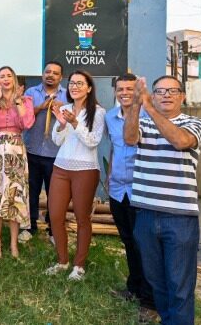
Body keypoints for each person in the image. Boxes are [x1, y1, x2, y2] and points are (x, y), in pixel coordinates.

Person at [125, 75, 201, 325]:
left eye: (172, 91)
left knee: (179, 286)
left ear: (182, 96)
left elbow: (180, 141)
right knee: (157, 282)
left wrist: (149, 106)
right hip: (146, 214)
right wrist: (136, 104)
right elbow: (129, 138)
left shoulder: (195, 123)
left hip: (180, 219)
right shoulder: (145, 124)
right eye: (159, 91)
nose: (166, 95)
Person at [44, 70, 105, 281]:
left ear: (89, 88)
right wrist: (61, 123)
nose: (75, 86)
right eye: (72, 83)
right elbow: (56, 140)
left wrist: (75, 123)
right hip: (61, 167)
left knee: (82, 218)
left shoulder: (98, 112)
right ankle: (62, 261)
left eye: (80, 83)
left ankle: (79, 265)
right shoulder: (65, 108)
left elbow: (92, 141)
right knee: (55, 215)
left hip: (86, 169)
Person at [105, 73, 154, 308]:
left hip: (140, 190)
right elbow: (114, 149)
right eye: (120, 89)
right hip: (117, 189)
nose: (124, 93)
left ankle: (148, 296)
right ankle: (133, 287)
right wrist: (108, 177)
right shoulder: (110, 117)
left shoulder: (149, 116)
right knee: (127, 240)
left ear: (137, 92)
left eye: (129, 89)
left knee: (142, 242)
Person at [0, 66, 35, 258]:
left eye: (9, 75)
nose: (6, 79)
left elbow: (27, 123)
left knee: (14, 197)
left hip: (15, 152)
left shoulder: (26, 100)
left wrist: (17, 100)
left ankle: (13, 243)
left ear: (15, 79)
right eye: (2, 76)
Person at [20, 61, 67, 244]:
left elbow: (73, 119)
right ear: (42, 74)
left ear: (60, 77)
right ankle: (29, 227)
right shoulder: (31, 93)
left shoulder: (67, 95)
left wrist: (62, 109)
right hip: (32, 150)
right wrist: (40, 107)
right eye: (48, 72)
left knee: (54, 194)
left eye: (55, 73)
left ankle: (53, 230)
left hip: (56, 153)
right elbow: (23, 117)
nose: (51, 75)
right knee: (31, 191)